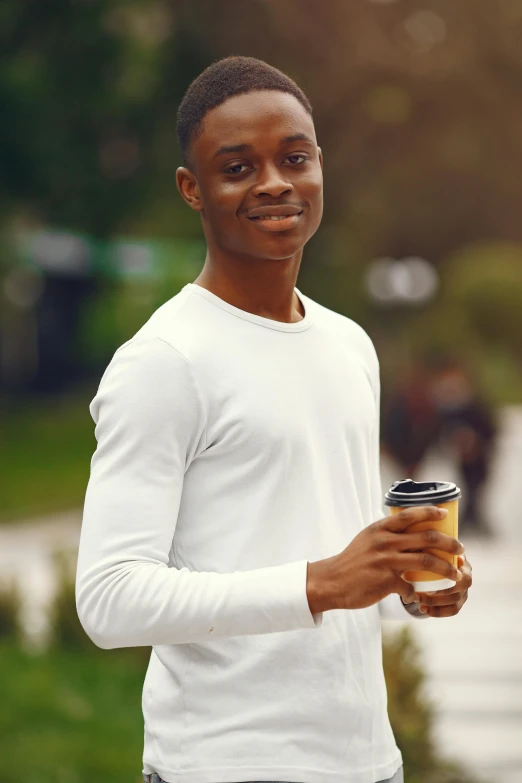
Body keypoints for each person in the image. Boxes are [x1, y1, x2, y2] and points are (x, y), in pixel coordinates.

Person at [75, 57, 472, 783]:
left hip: (365, 760)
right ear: (191, 189)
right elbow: (108, 598)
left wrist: (402, 578)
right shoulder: (165, 361)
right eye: (238, 166)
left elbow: (323, 534)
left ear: (320, 164)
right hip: (226, 763)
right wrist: (322, 583)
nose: (275, 183)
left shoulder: (349, 342)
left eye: (294, 157)